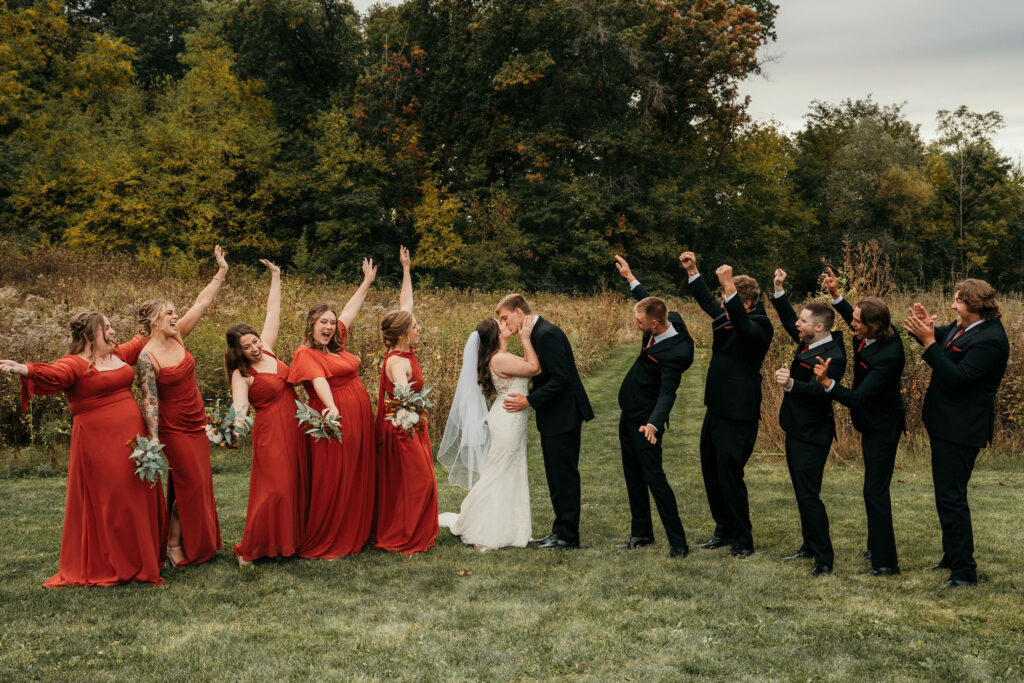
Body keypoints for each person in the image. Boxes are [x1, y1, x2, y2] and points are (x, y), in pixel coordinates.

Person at [2, 313, 167, 587]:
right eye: (108, 327)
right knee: (114, 498)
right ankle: (116, 562)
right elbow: (56, 374)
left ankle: (143, 558)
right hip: (99, 443)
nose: (114, 331)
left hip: (134, 439)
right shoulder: (73, 363)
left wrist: (166, 318)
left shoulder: (120, 354)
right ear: (91, 334)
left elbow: (148, 336)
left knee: (139, 493)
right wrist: (27, 369)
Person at [117, 246, 229, 568]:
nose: (175, 316)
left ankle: (183, 541)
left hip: (197, 419)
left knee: (197, 481)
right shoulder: (146, 357)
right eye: (169, 313)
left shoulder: (178, 336)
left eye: (175, 313)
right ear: (153, 320)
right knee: (189, 481)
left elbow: (202, 303)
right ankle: (173, 544)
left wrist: (221, 272)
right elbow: (150, 399)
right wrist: (154, 437)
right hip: (173, 426)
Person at [903, 279, 1009, 588]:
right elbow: (940, 338)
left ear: (975, 307)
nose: (953, 305)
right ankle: (952, 555)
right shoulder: (964, 327)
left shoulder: (991, 340)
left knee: (952, 498)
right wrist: (921, 328)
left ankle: (964, 572)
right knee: (946, 495)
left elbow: (957, 378)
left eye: (958, 301)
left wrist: (927, 342)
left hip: (962, 430)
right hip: (945, 425)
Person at [680, 252, 773, 558]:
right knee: (711, 470)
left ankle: (743, 540)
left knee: (730, 473)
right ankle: (723, 529)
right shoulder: (725, 315)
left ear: (746, 303)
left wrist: (729, 286)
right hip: (716, 407)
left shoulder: (760, 325)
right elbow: (708, 302)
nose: (721, 304)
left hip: (739, 411)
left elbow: (746, 330)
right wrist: (693, 271)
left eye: (728, 298)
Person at [815, 268, 905, 577]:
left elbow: (858, 398)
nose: (851, 324)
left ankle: (885, 563)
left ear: (873, 326)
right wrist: (836, 294)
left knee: (875, 491)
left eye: (856, 321)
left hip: (883, 426)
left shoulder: (889, 355)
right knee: (873, 489)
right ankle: (876, 545)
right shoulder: (870, 334)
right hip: (871, 424)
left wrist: (827, 383)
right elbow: (852, 315)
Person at [287, 258, 377, 559]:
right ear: (311, 324)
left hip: (359, 417)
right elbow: (319, 380)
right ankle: (329, 535)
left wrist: (366, 282)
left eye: (330, 322)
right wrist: (331, 407)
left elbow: (349, 312)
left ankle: (356, 529)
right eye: (322, 322)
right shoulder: (305, 352)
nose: (328, 326)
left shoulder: (334, 346)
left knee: (354, 472)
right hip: (333, 419)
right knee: (334, 477)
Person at [225, 260, 309, 566]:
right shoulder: (242, 374)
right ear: (240, 352)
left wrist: (276, 276)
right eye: (248, 347)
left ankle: (288, 542)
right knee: (273, 489)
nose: (256, 348)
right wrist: (233, 428)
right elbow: (241, 408)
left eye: (255, 341)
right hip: (271, 431)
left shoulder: (270, 349)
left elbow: (273, 312)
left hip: (294, 423)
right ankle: (254, 549)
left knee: (294, 484)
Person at [612, 255, 694, 558]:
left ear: (656, 325)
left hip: (647, 421)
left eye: (640, 323)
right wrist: (630, 276)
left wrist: (654, 423)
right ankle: (641, 533)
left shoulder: (676, 353)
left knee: (654, 478)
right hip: (628, 415)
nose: (636, 325)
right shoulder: (665, 318)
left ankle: (679, 544)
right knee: (632, 475)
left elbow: (668, 394)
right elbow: (649, 301)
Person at [499, 294, 594, 550]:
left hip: (564, 415)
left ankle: (568, 536)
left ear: (518, 312)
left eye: (505, 317)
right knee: (555, 475)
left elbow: (561, 379)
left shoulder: (547, 334)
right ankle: (559, 530)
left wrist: (528, 401)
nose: (505, 324)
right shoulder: (535, 334)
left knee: (564, 476)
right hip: (554, 416)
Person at [437, 316, 541, 550]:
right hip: (508, 419)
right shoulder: (500, 358)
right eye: (501, 324)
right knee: (499, 472)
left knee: (508, 470)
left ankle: (510, 527)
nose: (506, 324)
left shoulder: (501, 357)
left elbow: (527, 366)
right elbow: (534, 368)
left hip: (511, 417)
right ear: (496, 335)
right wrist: (525, 338)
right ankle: (482, 531)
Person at [770, 268, 846, 576]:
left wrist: (790, 386)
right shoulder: (809, 340)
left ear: (817, 326)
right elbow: (790, 320)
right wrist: (778, 290)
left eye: (802, 321)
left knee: (809, 494)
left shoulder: (834, 356)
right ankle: (808, 545)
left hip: (814, 433)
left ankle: (824, 559)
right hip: (795, 427)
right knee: (800, 490)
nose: (796, 325)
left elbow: (821, 393)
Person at [374, 247, 439, 554]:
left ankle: (413, 530)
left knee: (413, 482)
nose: (419, 328)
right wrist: (412, 413)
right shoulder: (397, 362)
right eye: (415, 327)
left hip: (412, 423)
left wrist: (406, 270)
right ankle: (405, 536)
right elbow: (403, 396)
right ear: (402, 334)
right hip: (403, 428)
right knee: (418, 482)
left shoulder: (403, 350)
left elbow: (406, 304)